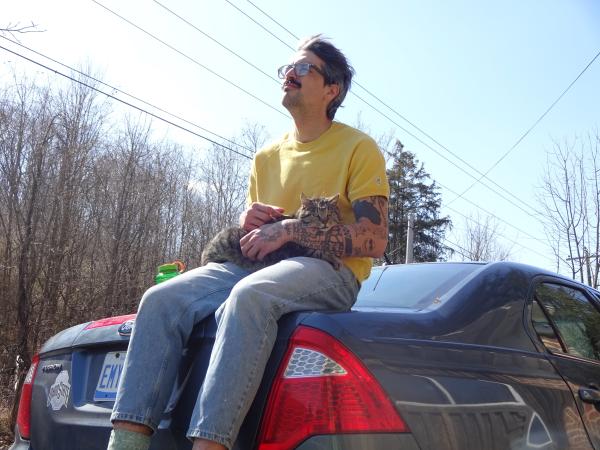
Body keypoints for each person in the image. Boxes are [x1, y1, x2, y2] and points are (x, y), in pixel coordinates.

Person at [108, 34, 390, 450]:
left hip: (331, 271)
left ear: (333, 89)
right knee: (160, 299)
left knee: (249, 296)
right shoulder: (266, 156)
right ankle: (127, 443)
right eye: (288, 68)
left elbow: (374, 239)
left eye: (304, 67)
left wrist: (292, 230)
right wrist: (250, 221)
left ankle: (210, 444)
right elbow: (260, 233)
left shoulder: (358, 148)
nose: (290, 74)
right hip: (258, 264)